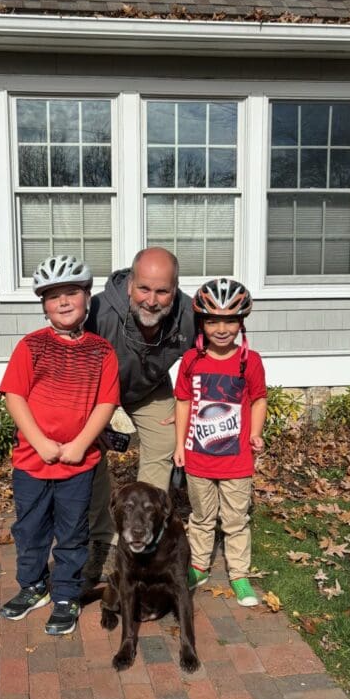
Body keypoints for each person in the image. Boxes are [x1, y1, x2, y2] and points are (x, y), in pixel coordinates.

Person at [0, 255, 120, 635]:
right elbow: (14, 396)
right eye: (53, 297)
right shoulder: (31, 346)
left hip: (78, 464)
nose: (63, 302)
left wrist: (81, 444)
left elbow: (106, 402)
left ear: (86, 297)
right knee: (30, 530)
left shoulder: (102, 351)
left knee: (72, 532)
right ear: (44, 305)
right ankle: (34, 587)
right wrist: (41, 442)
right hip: (32, 462)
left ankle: (66, 593)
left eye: (71, 293)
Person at [82, 246, 196, 592]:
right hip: (97, 390)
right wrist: (93, 422)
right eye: (144, 288)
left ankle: (147, 533)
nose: (152, 300)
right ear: (130, 284)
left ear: (175, 290)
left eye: (162, 291)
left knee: (164, 442)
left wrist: (185, 409)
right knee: (88, 451)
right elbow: (77, 366)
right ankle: (101, 539)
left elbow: (207, 362)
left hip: (149, 387)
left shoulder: (190, 316)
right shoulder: (98, 311)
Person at [173, 277, 267, 607]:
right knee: (201, 516)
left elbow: (258, 399)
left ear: (240, 323)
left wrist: (256, 433)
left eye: (230, 320)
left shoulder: (249, 361)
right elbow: (183, 401)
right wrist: (179, 445)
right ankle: (199, 565)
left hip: (236, 459)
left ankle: (239, 574)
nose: (222, 328)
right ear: (202, 323)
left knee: (236, 519)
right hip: (199, 456)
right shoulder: (191, 361)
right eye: (213, 320)